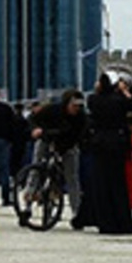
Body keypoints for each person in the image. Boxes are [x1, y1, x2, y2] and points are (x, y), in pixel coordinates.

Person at [74, 74, 132, 234]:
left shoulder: (94, 100)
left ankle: (105, 222)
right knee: (118, 185)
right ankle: (123, 222)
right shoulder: (120, 100)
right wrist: (124, 93)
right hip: (118, 143)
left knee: (101, 185)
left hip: (100, 143)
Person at [30, 90, 87, 219]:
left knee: (72, 177)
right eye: (73, 106)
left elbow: (78, 136)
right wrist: (35, 129)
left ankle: (76, 212)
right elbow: (34, 119)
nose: (76, 109)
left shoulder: (81, 118)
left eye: (79, 106)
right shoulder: (52, 110)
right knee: (36, 168)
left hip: (67, 145)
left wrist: (64, 148)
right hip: (46, 140)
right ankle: (29, 197)